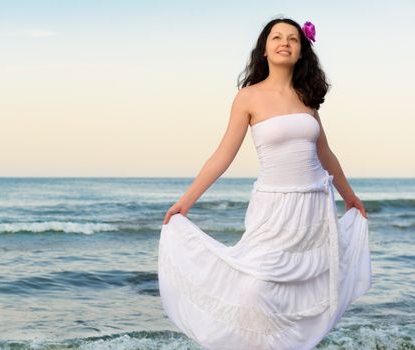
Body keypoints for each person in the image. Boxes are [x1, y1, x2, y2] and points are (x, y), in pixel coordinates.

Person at [158, 17, 372, 350]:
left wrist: (350, 197)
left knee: (301, 293)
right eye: (276, 37)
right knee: (255, 288)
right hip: (273, 209)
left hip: (314, 207)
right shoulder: (248, 97)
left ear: (302, 51)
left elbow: (325, 153)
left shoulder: (307, 98)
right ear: (265, 49)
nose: (284, 42)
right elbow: (222, 156)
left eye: (292, 39)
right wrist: (186, 201)